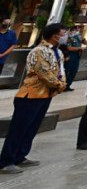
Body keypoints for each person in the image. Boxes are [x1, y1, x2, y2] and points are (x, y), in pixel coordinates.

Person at [0, 22, 66, 174]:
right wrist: (58, 84)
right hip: (31, 95)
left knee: (32, 128)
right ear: (54, 36)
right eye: (63, 34)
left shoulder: (58, 52)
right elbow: (42, 71)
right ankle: (6, 160)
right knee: (19, 128)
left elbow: (61, 70)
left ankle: (20, 155)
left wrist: (61, 84)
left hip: (46, 95)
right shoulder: (38, 51)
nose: (65, 37)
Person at [64, 24, 86, 90]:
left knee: (74, 71)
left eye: (78, 29)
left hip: (77, 55)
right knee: (66, 70)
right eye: (75, 29)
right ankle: (63, 85)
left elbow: (85, 43)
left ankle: (68, 86)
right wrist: (79, 48)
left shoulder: (79, 36)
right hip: (70, 55)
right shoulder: (69, 37)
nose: (77, 30)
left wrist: (83, 38)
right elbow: (69, 48)